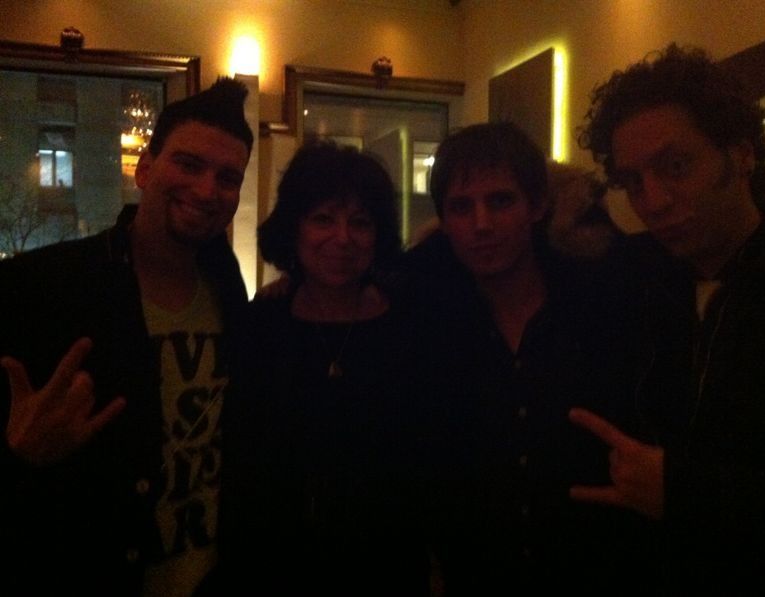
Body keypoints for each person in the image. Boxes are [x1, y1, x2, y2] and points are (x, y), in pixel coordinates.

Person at [0, 77, 253, 596]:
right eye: (189, 164)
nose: (207, 190)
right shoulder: (42, 286)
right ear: (144, 169)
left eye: (228, 178)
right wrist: (18, 454)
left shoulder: (226, 281)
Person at [575, 43, 765, 594]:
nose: (653, 202)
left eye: (676, 167)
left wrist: (686, 493)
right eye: (632, 181)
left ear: (740, 154)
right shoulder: (643, 282)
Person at [401, 122, 661, 596]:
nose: (481, 224)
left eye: (500, 201)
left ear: (537, 206)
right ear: (444, 221)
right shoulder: (428, 319)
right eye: (462, 207)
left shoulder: (604, 306)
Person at [219, 141, 431, 596]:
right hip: (276, 567)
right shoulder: (261, 326)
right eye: (322, 219)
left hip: (390, 567)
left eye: (360, 222)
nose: (343, 238)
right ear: (293, 228)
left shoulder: (412, 325)